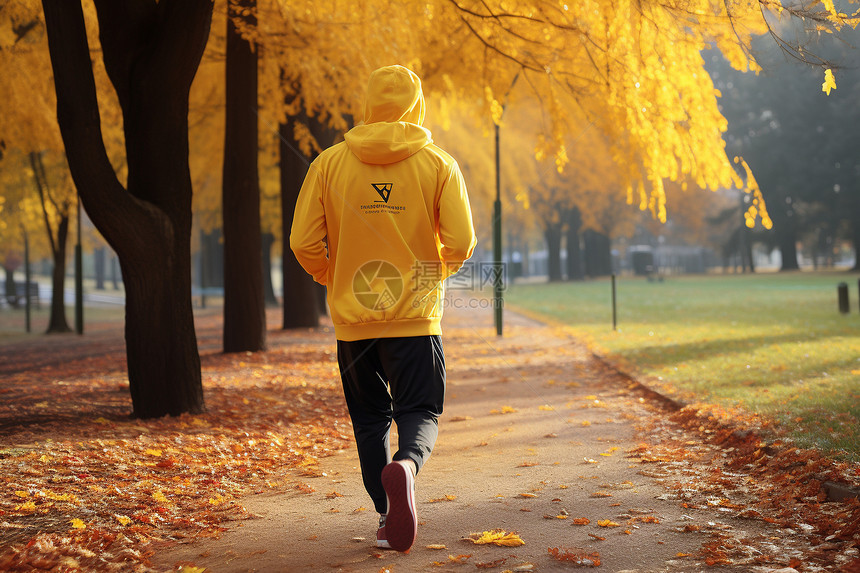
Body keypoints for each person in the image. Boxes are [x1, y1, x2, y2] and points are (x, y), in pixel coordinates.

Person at [290, 65, 476, 552]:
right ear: (416, 106)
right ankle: (408, 466)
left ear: (368, 104)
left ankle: (384, 515)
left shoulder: (328, 163)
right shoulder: (438, 164)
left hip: (354, 323)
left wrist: (331, 276)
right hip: (414, 317)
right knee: (420, 410)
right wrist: (431, 279)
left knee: (370, 422)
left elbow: (302, 241)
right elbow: (462, 241)